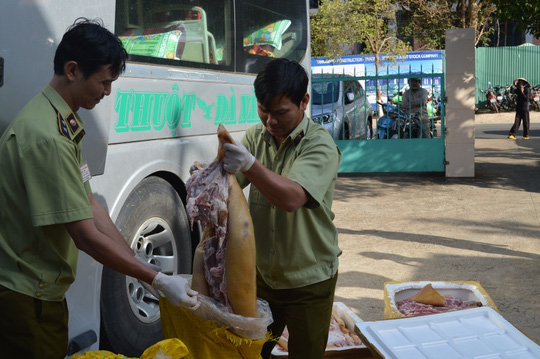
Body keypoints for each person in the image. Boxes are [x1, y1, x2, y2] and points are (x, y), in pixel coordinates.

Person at [0, 18, 197, 358]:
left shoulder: (60, 120)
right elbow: (85, 235)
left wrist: (132, 259)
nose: (107, 92)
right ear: (73, 70)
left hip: (40, 292)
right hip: (27, 297)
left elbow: (90, 204)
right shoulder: (49, 137)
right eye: (104, 82)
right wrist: (157, 279)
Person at [222, 58, 342, 359]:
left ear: (304, 102)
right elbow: (228, 186)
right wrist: (208, 177)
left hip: (309, 281)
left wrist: (249, 165)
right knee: (249, 353)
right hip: (262, 278)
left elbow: (291, 198)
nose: (270, 121)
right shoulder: (255, 137)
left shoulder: (319, 144)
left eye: (280, 113)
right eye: (263, 110)